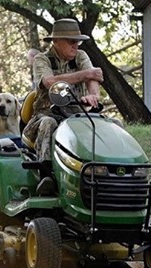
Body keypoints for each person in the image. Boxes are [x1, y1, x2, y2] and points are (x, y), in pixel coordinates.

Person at [22, 18, 104, 193]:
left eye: (77, 42)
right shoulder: (41, 60)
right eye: (71, 41)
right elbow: (50, 82)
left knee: (109, 126)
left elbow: (93, 77)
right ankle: (46, 176)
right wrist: (87, 73)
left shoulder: (81, 56)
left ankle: (106, 175)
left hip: (77, 116)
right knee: (49, 124)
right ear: (56, 41)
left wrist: (93, 96)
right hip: (45, 115)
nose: (75, 45)